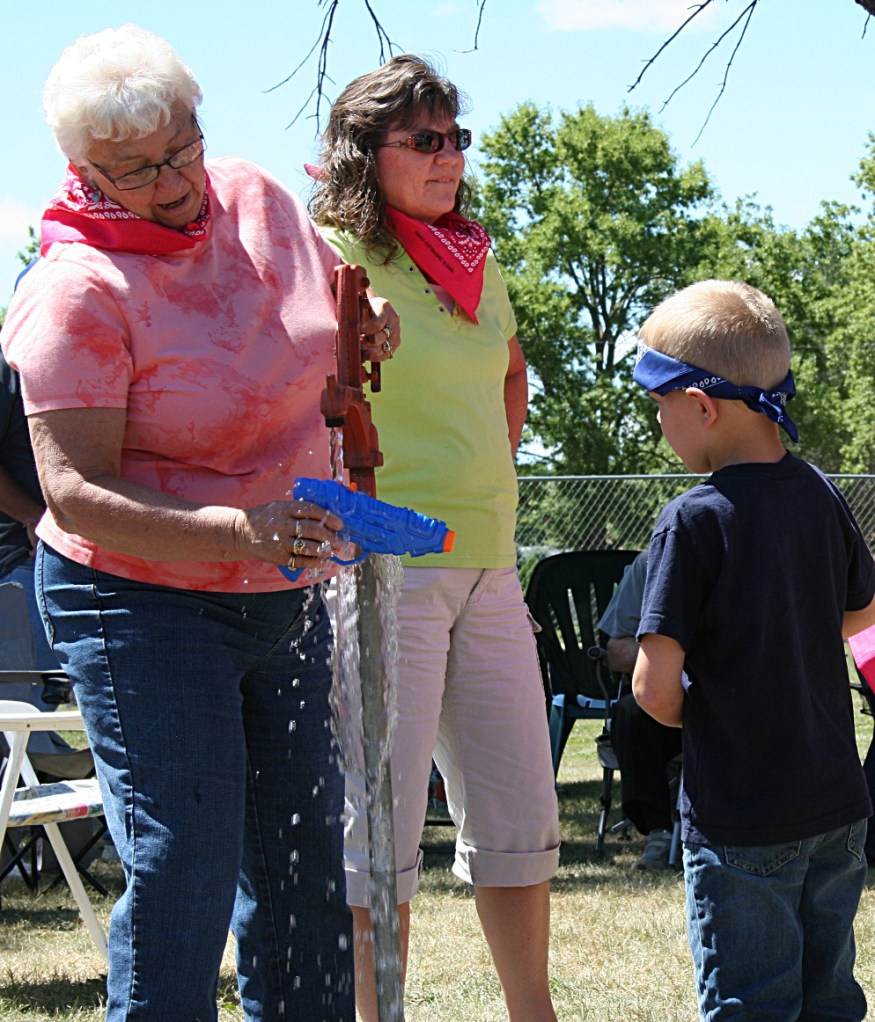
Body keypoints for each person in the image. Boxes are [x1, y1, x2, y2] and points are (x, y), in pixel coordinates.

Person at [0, 24, 400, 1022]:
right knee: (184, 860)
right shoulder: (75, 290)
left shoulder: (256, 199)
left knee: (305, 856)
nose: (173, 181)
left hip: (281, 581)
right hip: (136, 597)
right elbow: (74, 492)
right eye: (135, 171)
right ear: (84, 169)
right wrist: (239, 529)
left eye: (181, 147)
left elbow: (324, 304)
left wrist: (373, 313)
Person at [308, 56, 560, 1022]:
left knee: (519, 820)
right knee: (377, 837)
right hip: (382, 566)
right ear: (365, 155)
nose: (448, 156)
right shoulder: (321, 245)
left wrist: (483, 476)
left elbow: (509, 371)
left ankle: (532, 1013)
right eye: (424, 140)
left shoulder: (471, 258)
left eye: (456, 138)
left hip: (489, 563)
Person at [631, 279, 875, 1021]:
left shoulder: (692, 520)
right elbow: (861, 612)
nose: (661, 426)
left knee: (751, 1000)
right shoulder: (817, 492)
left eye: (659, 407)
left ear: (700, 407)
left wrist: (700, 721)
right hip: (835, 806)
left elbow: (651, 684)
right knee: (828, 996)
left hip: (741, 813)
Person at [596, 547, 682, 870]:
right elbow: (616, 652)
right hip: (667, 693)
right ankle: (658, 831)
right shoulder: (649, 565)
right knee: (631, 713)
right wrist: (680, 652)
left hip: (727, 695)